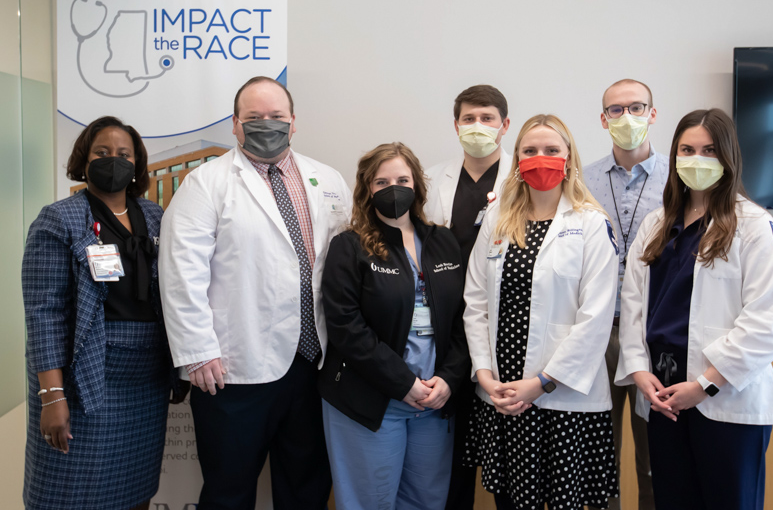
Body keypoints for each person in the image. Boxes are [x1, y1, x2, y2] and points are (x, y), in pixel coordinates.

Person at [159, 76, 351, 510]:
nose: (267, 124)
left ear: (294, 121)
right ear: (235, 123)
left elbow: (344, 265)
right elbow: (179, 272)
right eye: (254, 118)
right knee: (230, 491)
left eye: (277, 117)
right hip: (233, 368)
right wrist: (197, 350)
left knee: (306, 487)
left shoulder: (328, 179)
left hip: (313, 363)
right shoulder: (205, 183)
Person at [616, 108, 773, 510]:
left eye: (709, 150)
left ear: (728, 157)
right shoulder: (657, 224)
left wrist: (706, 384)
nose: (697, 159)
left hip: (724, 400)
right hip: (664, 398)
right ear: (674, 157)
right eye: (687, 149)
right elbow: (634, 305)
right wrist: (641, 372)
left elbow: (768, 322)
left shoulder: (754, 225)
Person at [463, 114, 620, 510]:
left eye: (552, 150)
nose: (540, 158)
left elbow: (596, 317)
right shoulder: (498, 218)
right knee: (511, 502)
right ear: (516, 160)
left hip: (562, 397)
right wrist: (484, 374)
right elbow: (476, 300)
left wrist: (543, 382)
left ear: (569, 158)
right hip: (504, 393)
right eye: (529, 151)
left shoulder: (591, 223)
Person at [22, 116, 178, 510]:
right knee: (67, 493)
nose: (114, 160)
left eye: (124, 154)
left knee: (134, 491)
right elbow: (43, 314)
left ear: (137, 163)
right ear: (84, 159)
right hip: (82, 378)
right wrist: (51, 394)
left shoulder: (156, 217)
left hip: (146, 379)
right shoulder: (59, 219)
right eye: (102, 153)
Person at [318, 142, 470, 510]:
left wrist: (448, 379)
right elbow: (346, 327)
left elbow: (466, 318)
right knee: (370, 503)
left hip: (434, 401)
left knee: (426, 502)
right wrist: (403, 383)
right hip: (371, 400)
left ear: (417, 184)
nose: (393, 188)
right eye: (381, 182)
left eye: (402, 179)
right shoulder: (349, 246)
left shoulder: (442, 241)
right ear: (367, 189)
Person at [583, 78, 668, 510]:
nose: (626, 117)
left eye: (637, 107)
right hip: (597, 334)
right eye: (616, 110)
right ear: (603, 119)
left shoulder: (680, 178)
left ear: (653, 114)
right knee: (599, 455)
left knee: (654, 457)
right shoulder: (582, 180)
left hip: (654, 336)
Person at [426, 84, 511, 510]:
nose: (478, 127)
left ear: (505, 125)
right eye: (469, 119)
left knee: (506, 455)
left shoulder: (522, 179)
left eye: (488, 118)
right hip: (445, 329)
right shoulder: (431, 179)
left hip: (504, 326)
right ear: (456, 125)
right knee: (452, 452)